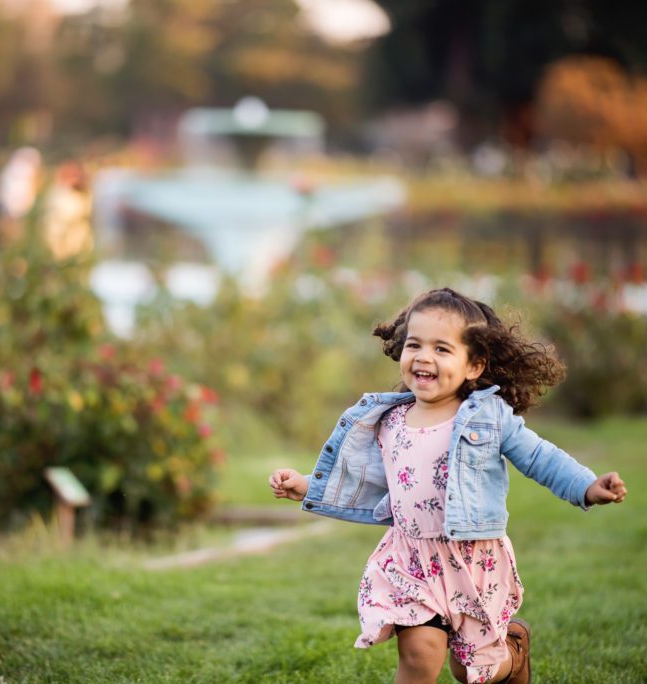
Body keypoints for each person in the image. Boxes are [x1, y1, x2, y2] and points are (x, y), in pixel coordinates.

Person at [268, 288, 627, 684]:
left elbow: (540, 457)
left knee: (472, 670)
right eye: (414, 345)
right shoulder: (390, 419)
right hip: (409, 557)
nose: (423, 357)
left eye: (442, 349)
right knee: (420, 655)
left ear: (473, 365)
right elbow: (366, 476)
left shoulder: (487, 417)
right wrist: (306, 486)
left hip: (473, 558)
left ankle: (513, 654)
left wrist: (586, 486)